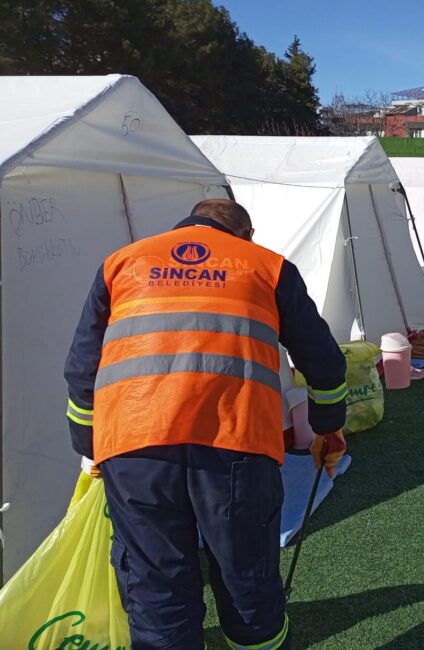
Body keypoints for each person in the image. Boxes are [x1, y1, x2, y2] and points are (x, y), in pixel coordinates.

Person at [64, 198, 349, 649]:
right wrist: (328, 427)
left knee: (157, 583)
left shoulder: (122, 264)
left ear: (184, 226)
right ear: (247, 234)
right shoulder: (266, 267)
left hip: (135, 447)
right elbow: (323, 362)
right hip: (234, 444)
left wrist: (90, 444)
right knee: (245, 576)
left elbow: (83, 368)